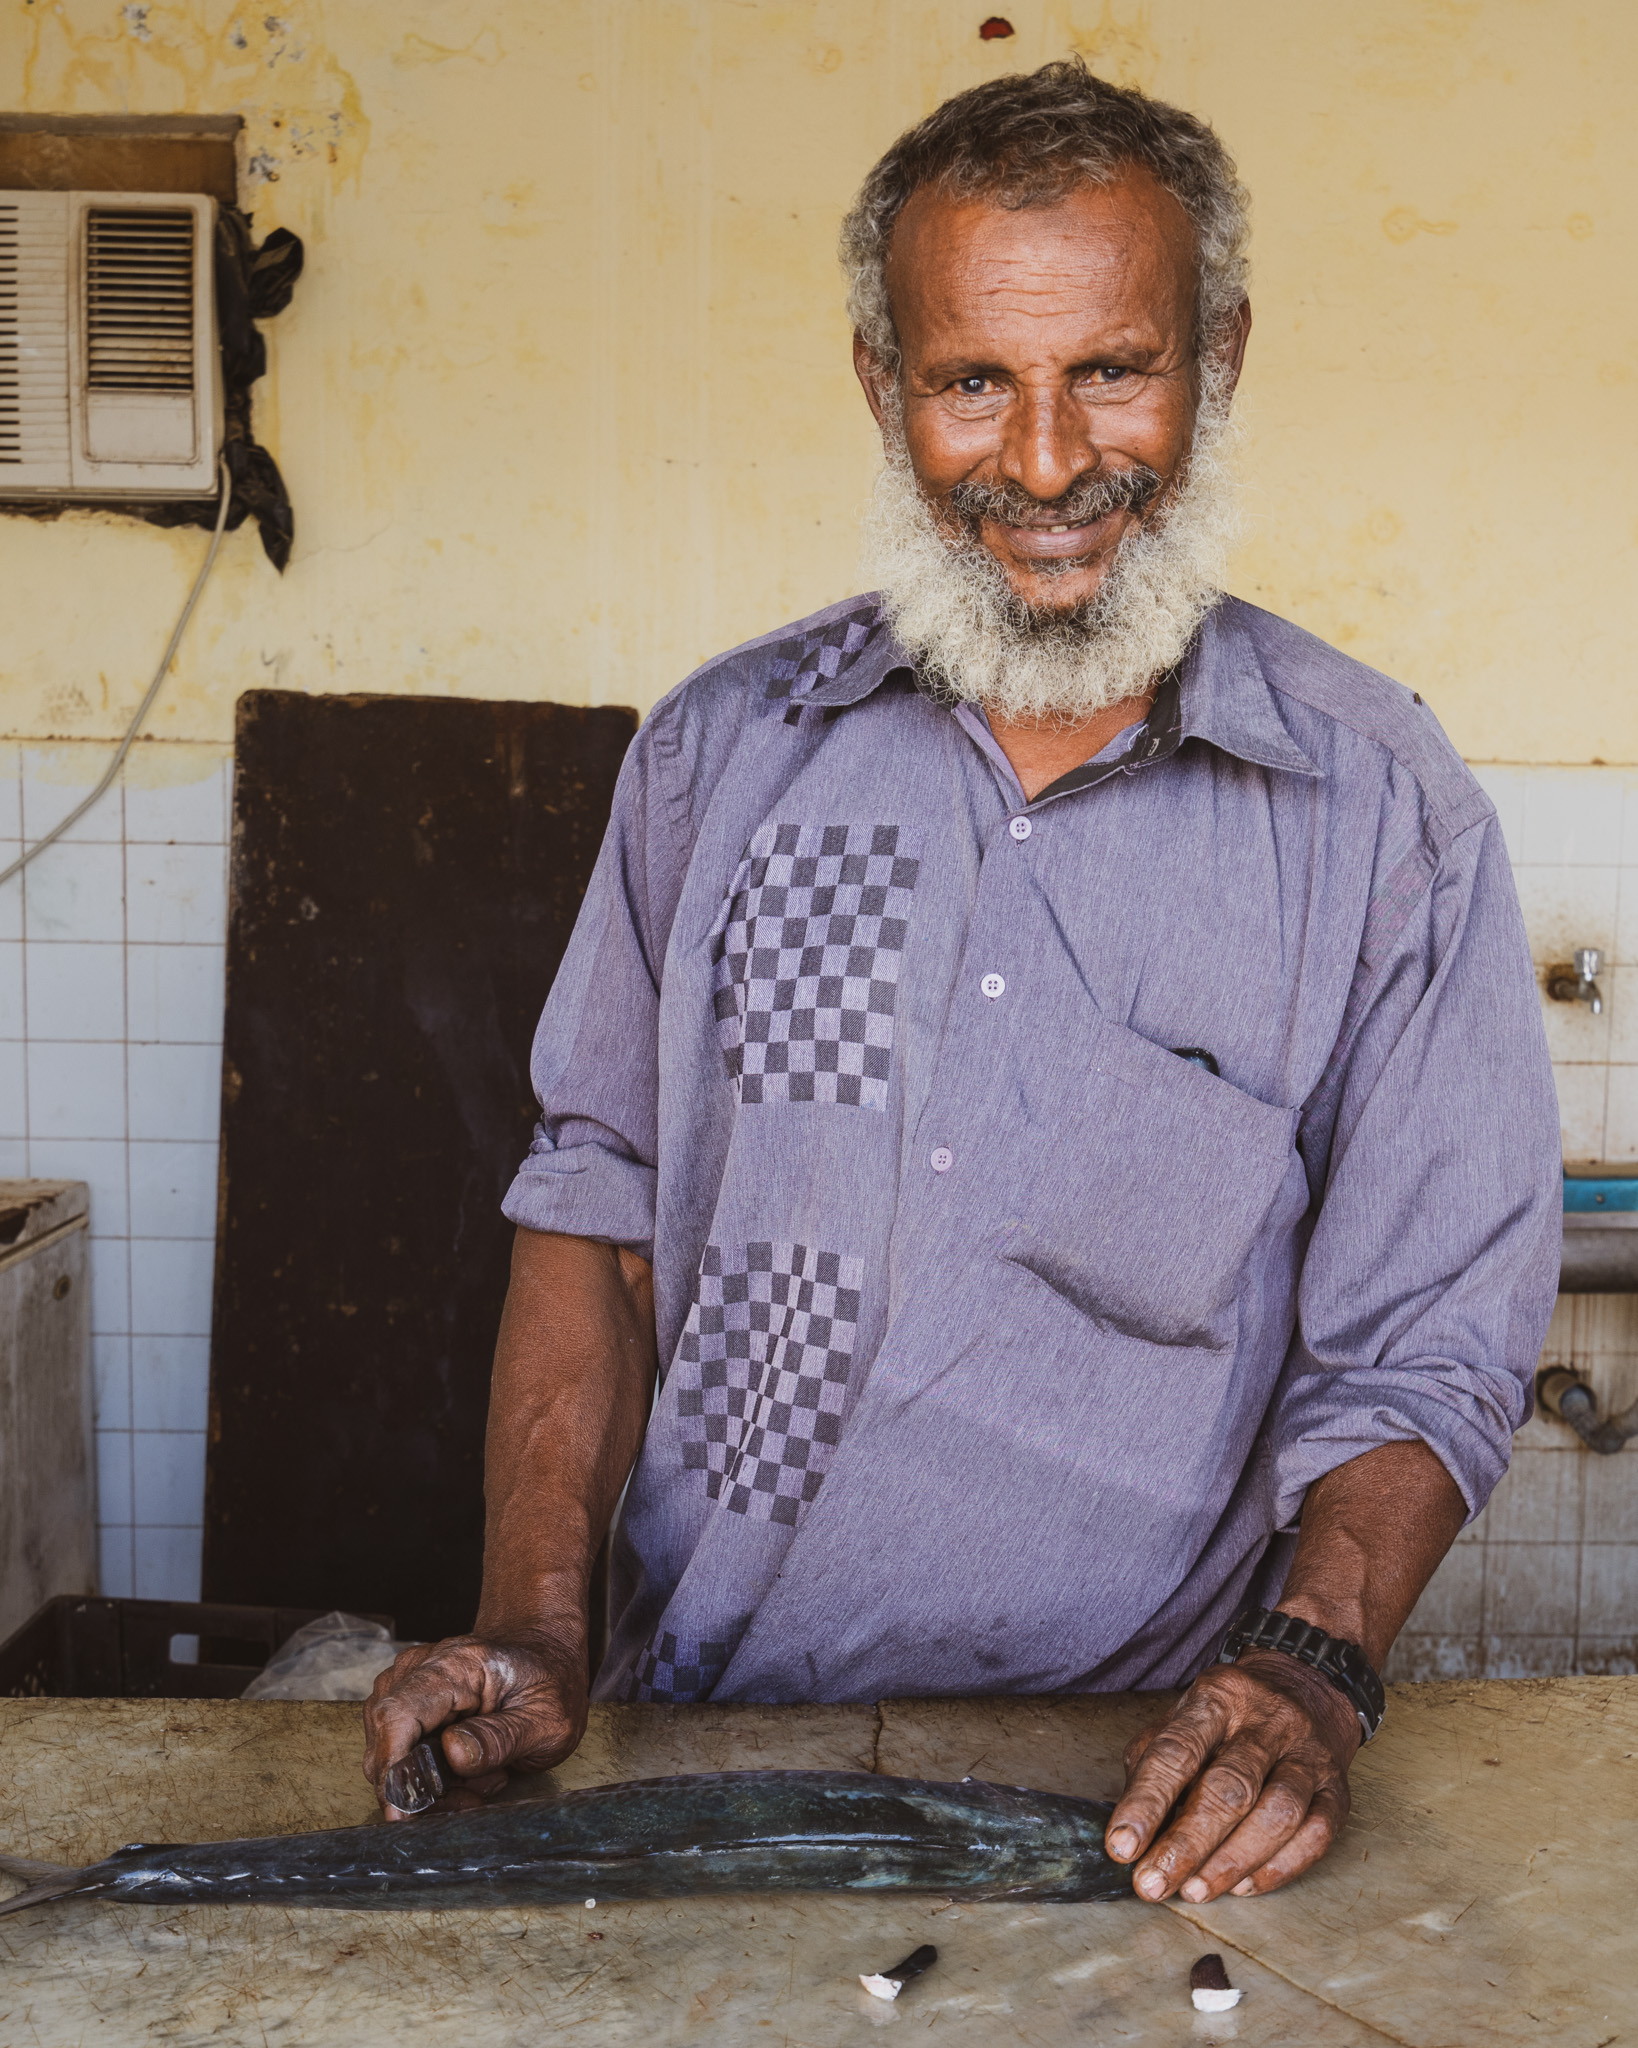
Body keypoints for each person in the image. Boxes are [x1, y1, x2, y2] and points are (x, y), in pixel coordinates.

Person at [365, 58, 1560, 1906]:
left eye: (1111, 367)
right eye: (971, 382)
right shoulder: (716, 760)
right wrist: (533, 1627)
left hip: (1143, 1802)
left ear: (1218, 356)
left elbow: (1422, 1345)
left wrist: (1309, 1671)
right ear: (881, 384)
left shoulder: (1377, 811)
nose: (1046, 461)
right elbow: (597, 1213)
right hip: (704, 1748)